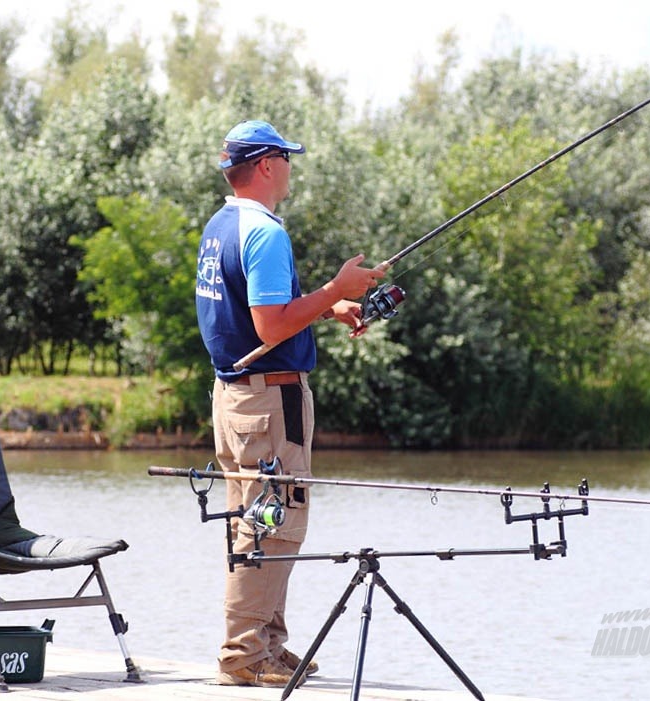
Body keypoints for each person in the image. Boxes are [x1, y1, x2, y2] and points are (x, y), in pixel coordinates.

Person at [195, 119, 384, 688]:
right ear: (268, 165)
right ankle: (244, 654)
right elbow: (269, 322)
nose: (292, 167)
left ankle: (265, 646)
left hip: (234, 399)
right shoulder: (267, 233)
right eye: (287, 157)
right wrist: (335, 290)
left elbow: (250, 306)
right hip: (270, 400)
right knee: (271, 524)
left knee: (258, 519)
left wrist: (328, 310)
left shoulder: (222, 224)